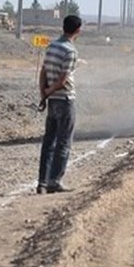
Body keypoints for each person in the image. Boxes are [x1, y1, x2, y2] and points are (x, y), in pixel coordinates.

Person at [36, 15, 82, 195]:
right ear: (78, 30)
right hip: (65, 100)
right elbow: (63, 80)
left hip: (53, 101)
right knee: (63, 142)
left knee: (48, 142)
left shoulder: (51, 47)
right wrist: (49, 91)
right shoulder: (70, 51)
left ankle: (42, 183)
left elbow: (43, 72)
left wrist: (44, 93)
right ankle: (54, 181)